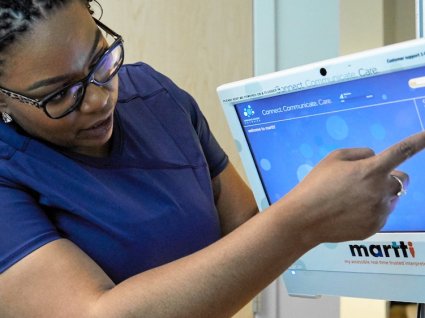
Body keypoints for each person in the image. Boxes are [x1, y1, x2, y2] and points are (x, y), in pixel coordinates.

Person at [0, 1, 422, 317]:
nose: (98, 98)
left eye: (101, 59)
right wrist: (301, 219)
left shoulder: (153, 96)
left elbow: (245, 231)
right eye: (59, 94)